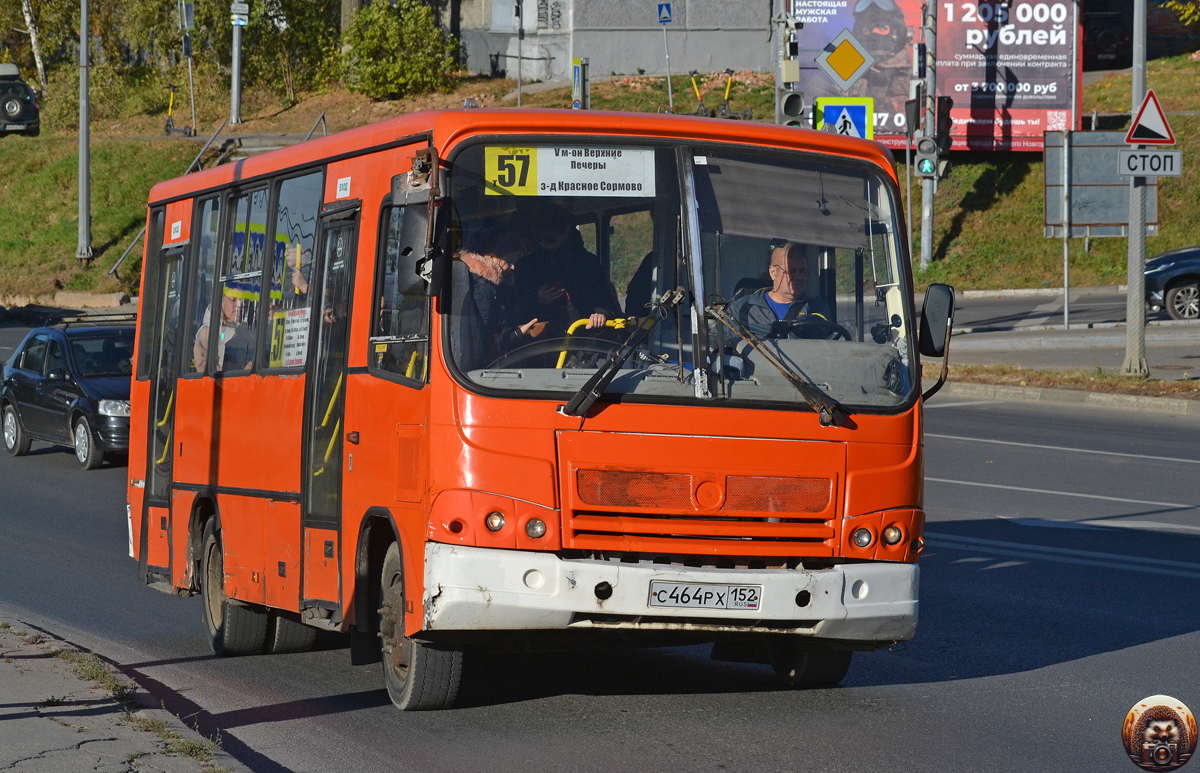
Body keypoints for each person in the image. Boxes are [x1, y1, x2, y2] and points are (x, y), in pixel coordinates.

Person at [516, 204, 622, 336]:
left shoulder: (587, 263)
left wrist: (601, 314)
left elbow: (605, 300)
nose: (545, 244)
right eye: (540, 239)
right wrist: (536, 299)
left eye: (550, 239)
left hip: (582, 338)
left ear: (565, 232)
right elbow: (515, 309)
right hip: (542, 340)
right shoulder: (526, 266)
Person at [451, 231, 545, 371]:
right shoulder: (482, 289)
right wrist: (518, 334)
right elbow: (486, 342)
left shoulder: (483, 282)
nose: (513, 267)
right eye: (509, 261)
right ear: (491, 257)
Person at [726, 242, 832, 339]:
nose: (799, 277)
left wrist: (800, 325)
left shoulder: (816, 307)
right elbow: (717, 341)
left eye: (802, 271)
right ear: (773, 272)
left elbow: (821, 325)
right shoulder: (742, 308)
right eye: (791, 271)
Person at [193, 288, 254, 372]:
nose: (238, 304)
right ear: (221, 301)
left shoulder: (246, 328)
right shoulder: (208, 332)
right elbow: (205, 369)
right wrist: (240, 373)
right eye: (232, 300)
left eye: (243, 300)